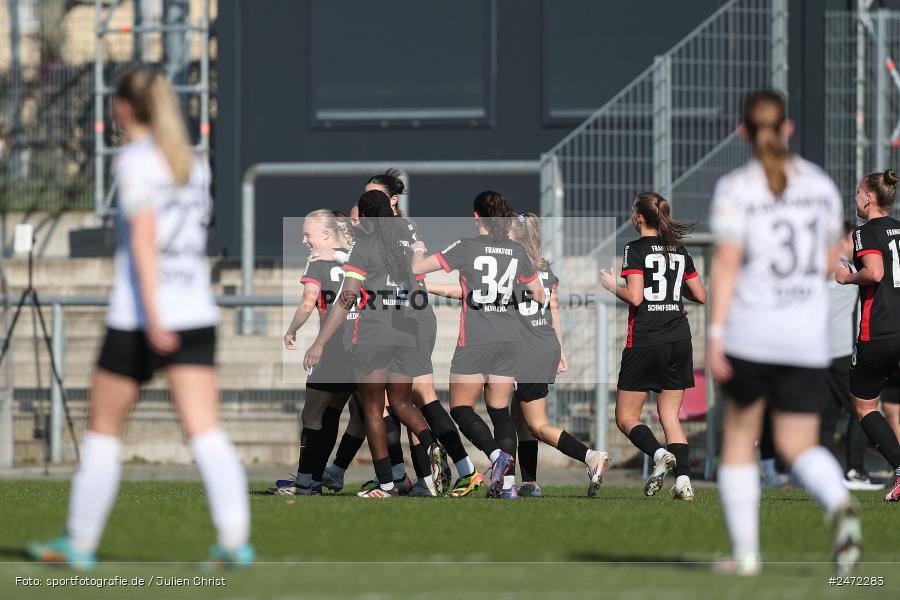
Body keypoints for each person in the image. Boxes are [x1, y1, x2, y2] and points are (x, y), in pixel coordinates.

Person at [27, 69, 253, 566]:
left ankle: (80, 543)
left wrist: (152, 316)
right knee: (205, 430)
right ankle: (235, 541)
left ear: (124, 108)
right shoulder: (192, 163)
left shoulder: (134, 161)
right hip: (196, 311)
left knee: (103, 432)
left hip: (139, 317)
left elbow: (146, 242)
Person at [708, 89, 860, 576]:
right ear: (788, 128)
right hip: (805, 339)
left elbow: (727, 264)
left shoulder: (736, 187)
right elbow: (825, 261)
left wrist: (714, 334)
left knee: (739, 440)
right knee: (799, 446)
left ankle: (747, 557)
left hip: (752, 333)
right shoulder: (820, 185)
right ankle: (839, 502)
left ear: (742, 132)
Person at [411, 191, 546, 499]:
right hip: (510, 338)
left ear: (476, 217)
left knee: (460, 408)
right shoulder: (516, 250)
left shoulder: (466, 246)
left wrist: (417, 249)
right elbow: (538, 294)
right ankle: (508, 486)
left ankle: (496, 457)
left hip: (476, 339)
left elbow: (419, 269)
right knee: (500, 411)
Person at [304, 190, 437, 498]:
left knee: (374, 411)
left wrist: (321, 341)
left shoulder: (364, 245)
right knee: (403, 403)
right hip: (407, 334)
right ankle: (431, 446)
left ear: (364, 217)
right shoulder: (406, 238)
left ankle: (387, 485)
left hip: (373, 336)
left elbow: (348, 296)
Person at [363, 170, 474, 496]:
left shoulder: (398, 230)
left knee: (419, 396)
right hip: (405, 318)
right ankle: (418, 478)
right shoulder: (396, 230)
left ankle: (463, 468)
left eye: (376, 197)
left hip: (410, 318)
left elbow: (415, 269)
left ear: (392, 201)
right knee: (401, 400)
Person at [600, 193, 706, 500]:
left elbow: (635, 296)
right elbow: (701, 295)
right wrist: (673, 286)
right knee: (670, 416)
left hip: (647, 338)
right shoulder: (678, 249)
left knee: (625, 418)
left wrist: (610, 286)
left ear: (639, 217)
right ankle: (684, 481)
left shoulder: (634, 249)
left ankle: (659, 454)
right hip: (678, 338)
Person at [270, 210, 356, 495]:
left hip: (333, 349)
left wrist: (291, 329)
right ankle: (317, 478)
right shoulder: (357, 258)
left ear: (326, 235)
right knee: (332, 413)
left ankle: (305, 483)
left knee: (312, 416)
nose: (304, 240)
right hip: (361, 347)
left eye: (308, 234)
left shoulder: (317, 265)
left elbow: (308, 303)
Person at [835, 168, 900, 502]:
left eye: (858, 191)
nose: (856, 196)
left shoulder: (866, 232)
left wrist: (846, 277)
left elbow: (874, 272)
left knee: (864, 407)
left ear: (870, 197)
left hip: (879, 331)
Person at [821, 222, 882, 491]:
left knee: (828, 415)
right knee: (863, 411)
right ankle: (855, 470)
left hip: (820, 353)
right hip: (844, 351)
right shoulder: (848, 268)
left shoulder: (817, 270)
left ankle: (823, 475)